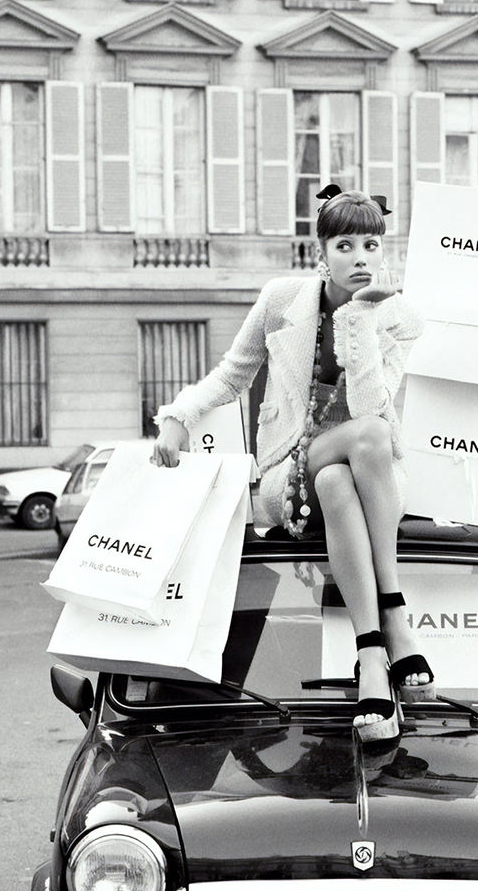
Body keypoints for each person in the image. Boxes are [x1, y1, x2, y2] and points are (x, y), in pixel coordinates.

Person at [152, 185, 434, 743]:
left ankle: (371, 653)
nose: (360, 258)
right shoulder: (281, 300)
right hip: (286, 470)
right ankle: (396, 612)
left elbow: (370, 406)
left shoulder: (401, 318)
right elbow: (233, 375)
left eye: (372, 245)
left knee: (343, 470)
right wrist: (178, 417)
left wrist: (360, 320)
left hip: (360, 473)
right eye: (345, 245)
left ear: (385, 252)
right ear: (320, 255)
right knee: (367, 440)